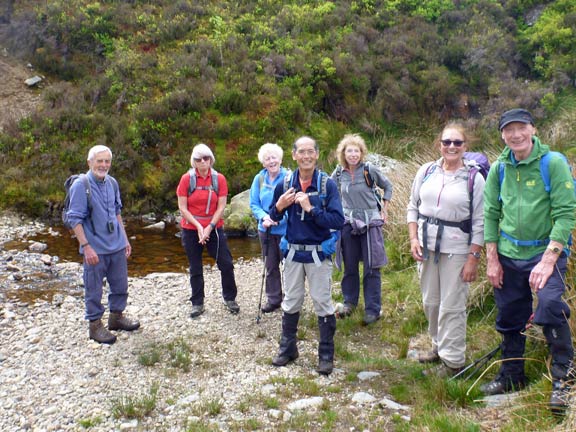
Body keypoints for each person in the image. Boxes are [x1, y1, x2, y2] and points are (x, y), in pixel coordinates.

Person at [482, 108, 576, 413]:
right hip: (509, 254)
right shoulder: (499, 168)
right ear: (502, 135)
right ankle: (512, 375)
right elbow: (491, 214)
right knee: (509, 314)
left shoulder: (553, 164)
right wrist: (492, 260)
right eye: (508, 130)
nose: (515, 135)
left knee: (549, 306)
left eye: (521, 127)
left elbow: (565, 212)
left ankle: (564, 380)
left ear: (533, 129)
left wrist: (549, 260)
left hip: (544, 252)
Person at [407, 122, 485, 377]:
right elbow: (413, 207)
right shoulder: (427, 171)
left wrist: (473, 258)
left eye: (457, 143)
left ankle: (453, 362)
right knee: (431, 301)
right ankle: (438, 347)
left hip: (456, 249)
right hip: (427, 247)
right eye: (446, 142)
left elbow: (480, 221)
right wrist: (413, 239)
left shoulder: (474, 178)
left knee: (452, 304)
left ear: (466, 146)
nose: (451, 147)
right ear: (439, 144)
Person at [269, 136, 344, 375]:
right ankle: (288, 348)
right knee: (291, 300)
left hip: (318, 254)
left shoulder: (326, 185)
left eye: (310, 151)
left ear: (317, 155)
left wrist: (311, 209)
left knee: (322, 301)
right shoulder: (285, 184)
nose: (306, 156)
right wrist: (279, 206)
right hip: (292, 253)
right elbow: (274, 217)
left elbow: (337, 220)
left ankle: (325, 354)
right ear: (294, 155)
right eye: (301, 152)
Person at [66, 145, 140, 344]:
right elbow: (74, 219)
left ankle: (116, 318)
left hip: (116, 245)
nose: (104, 165)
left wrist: (124, 240)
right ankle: (95, 326)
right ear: (90, 162)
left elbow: (117, 213)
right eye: (99, 161)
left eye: (107, 161)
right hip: (95, 249)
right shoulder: (81, 185)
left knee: (120, 284)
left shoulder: (112, 183)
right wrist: (86, 246)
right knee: (94, 289)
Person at [331, 134, 393, 325]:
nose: (353, 154)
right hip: (348, 223)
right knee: (350, 266)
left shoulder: (369, 170)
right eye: (349, 151)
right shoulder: (339, 173)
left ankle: (372, 310)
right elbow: (329, 190)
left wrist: (384, 208)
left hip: (370, 223)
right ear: (343, 153)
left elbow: (387, 186)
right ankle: (349, 303)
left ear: (361, 153)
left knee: (371, 267)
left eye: (356, 151)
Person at [177, 143, 240, 318]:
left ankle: (230, 298)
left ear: (211, 159)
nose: (203, 162)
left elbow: (221, 206)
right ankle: (197, 303)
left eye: (206, 158)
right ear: (194, 162)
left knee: (226, 263)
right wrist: (198, 227)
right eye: (199, 159)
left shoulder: (219, 179)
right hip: (191, 229)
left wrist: (210, 227)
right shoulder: (186, 179)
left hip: (214, 228)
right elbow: (182, 208)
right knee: (195, 267)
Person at [249, 143, 290, 313]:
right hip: (265, 229)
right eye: (268, 158)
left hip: (286, 230)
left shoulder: (289, 177)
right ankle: (274, 299)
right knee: (271, 265)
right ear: (263, 162)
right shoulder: (259, 179)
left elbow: (293, 205)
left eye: (274, 157)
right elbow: (254, 203)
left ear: (280, 159)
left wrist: (279, 219)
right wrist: (264, 217)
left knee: (289, 266)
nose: (271, 161)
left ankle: (291, 299)